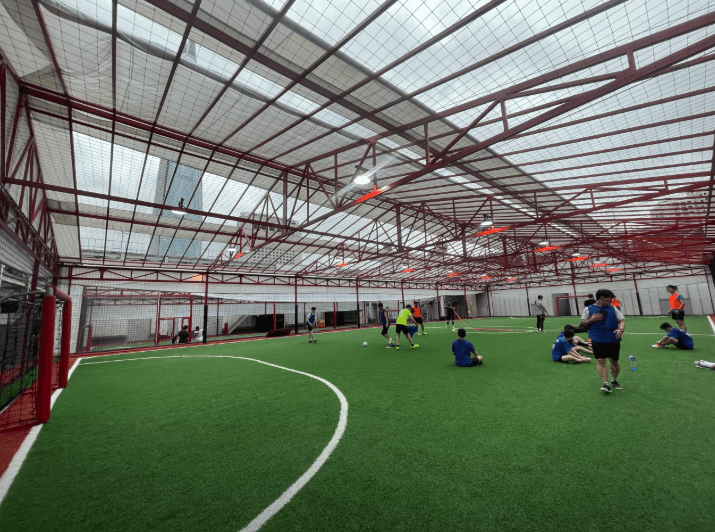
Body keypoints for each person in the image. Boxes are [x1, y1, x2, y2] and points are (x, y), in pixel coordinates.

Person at [581, 289, 625, 394]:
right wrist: (592, 320)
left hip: (613, 339)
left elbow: (621, 321)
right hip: (597, 339)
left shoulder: (613, 308)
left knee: (614, 362)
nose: (611, 301)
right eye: (610, 299)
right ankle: (605, 384)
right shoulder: (588, 309)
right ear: (602, 298)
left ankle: (614, 380)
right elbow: (583, 323)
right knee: (601, 361)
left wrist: (620, 330)